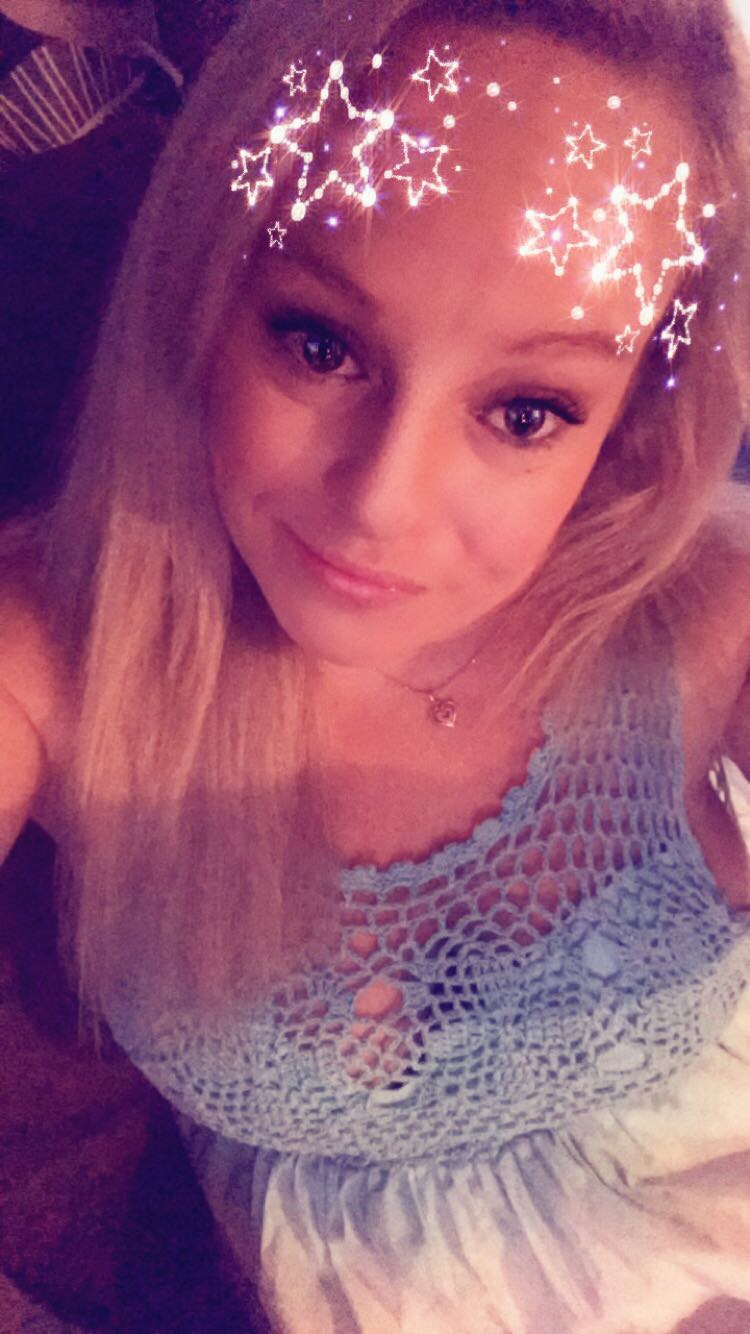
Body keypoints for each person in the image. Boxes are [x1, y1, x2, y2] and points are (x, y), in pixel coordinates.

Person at [2, 0, 750, 1329]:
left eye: (526, 409)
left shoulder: (702, 621)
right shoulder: (54, 657)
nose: (379, 504)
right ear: (204, 289)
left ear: (631, 420)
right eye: (320, 342)